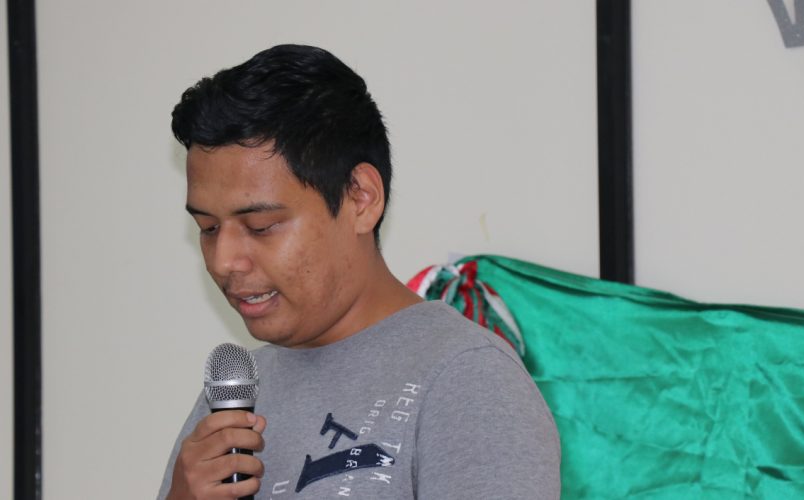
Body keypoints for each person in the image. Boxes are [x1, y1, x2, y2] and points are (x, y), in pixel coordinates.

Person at [157, 44, 561, 499]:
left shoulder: (468, 380)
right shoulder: (233, 397)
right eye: (208, 228)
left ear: (360, 199)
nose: (224, 260)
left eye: (261, 226)